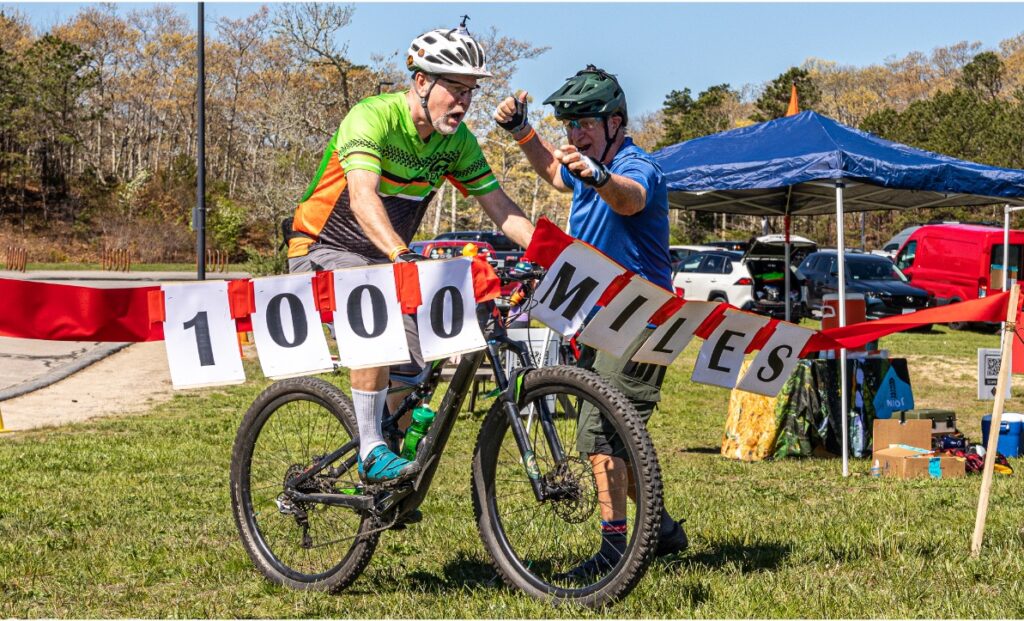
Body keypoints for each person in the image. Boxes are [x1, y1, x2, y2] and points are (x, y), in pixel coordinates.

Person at [286, 22, 534, 486]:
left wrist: (550, 252)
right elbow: (362, 196)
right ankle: (370, 451)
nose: (463, 102)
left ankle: (390, 477)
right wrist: (401, 254)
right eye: (454, 89)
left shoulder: (456, 142)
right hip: (321, 248)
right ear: (421, 81)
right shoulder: (371, 117)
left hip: (383, 258)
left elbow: (501, 208)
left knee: (417, 365)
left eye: (471, 91)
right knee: (375, 315)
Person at [494, 65, 687, 579]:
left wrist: (599, 176)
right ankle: (660, 528)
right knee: (620, 435)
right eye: (568, 123)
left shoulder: (634, 165)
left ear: (615, 123)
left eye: (585, 122)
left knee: (601, 434)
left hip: (642, 314)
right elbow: (556, 175)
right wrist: (523, 133)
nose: (574, 133)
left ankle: (616, 550)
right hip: (595, 315)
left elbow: (631, 197)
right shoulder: (584, 165)